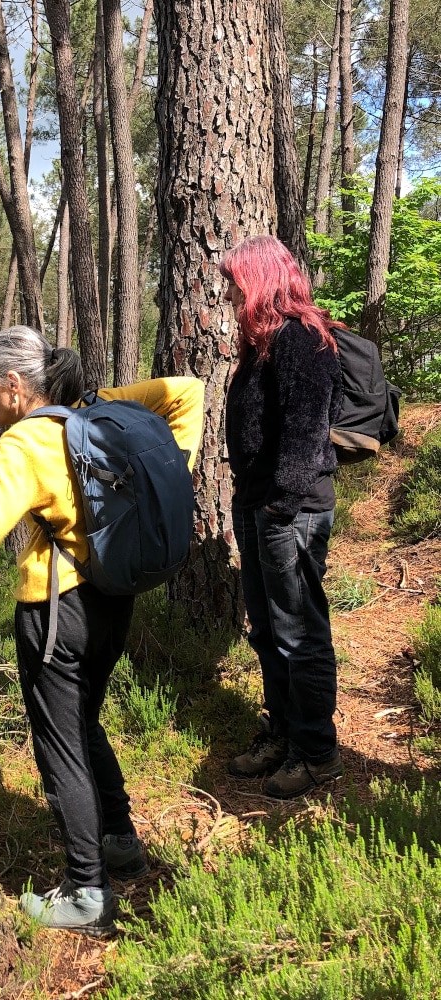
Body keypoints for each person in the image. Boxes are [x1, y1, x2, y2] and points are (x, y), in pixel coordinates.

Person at [0, 325, 204, 935]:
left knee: (60, 747)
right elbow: (186, 393)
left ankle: (86, 892)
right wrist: (166, 453)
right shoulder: (87, 418)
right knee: (84, 724)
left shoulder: (23, 444)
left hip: (56, 614)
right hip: (111, 599)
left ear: (15, 385)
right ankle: (120, 841)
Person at [221, 235, 344, 798]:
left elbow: (307, 425)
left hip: (288, 508)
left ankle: (316, 754)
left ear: (261, 281)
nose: (230, 294)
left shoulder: (302, 338)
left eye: (236, 283)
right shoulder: (262, 344)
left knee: (299, 631)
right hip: (257, 503)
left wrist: (282, 503)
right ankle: (283, 734)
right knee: (268, 628)